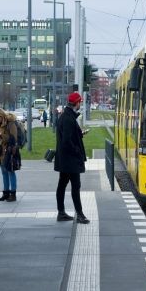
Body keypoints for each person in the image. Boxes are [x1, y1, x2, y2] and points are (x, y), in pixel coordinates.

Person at [54, 92, 90, 224]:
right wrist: (77, 151)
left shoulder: (65, 116)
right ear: (77, 103)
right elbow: (67, 141)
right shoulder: (69, 119)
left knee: (62, 184)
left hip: (64, 159)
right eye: (80, 102)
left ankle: (61, 212)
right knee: (75, 186)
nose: (81, 104)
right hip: (70, 160)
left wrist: (79, 133)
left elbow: (67, 136)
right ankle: (79, 214)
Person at [0, 108, 19, 202]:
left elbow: (13, 139)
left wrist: (1, 135)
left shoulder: (11, 124)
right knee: (4, 172)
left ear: (1, 116)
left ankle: (13, 193)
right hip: (1, 151)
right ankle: (5, 193)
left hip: (9, 151)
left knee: (10, 171)